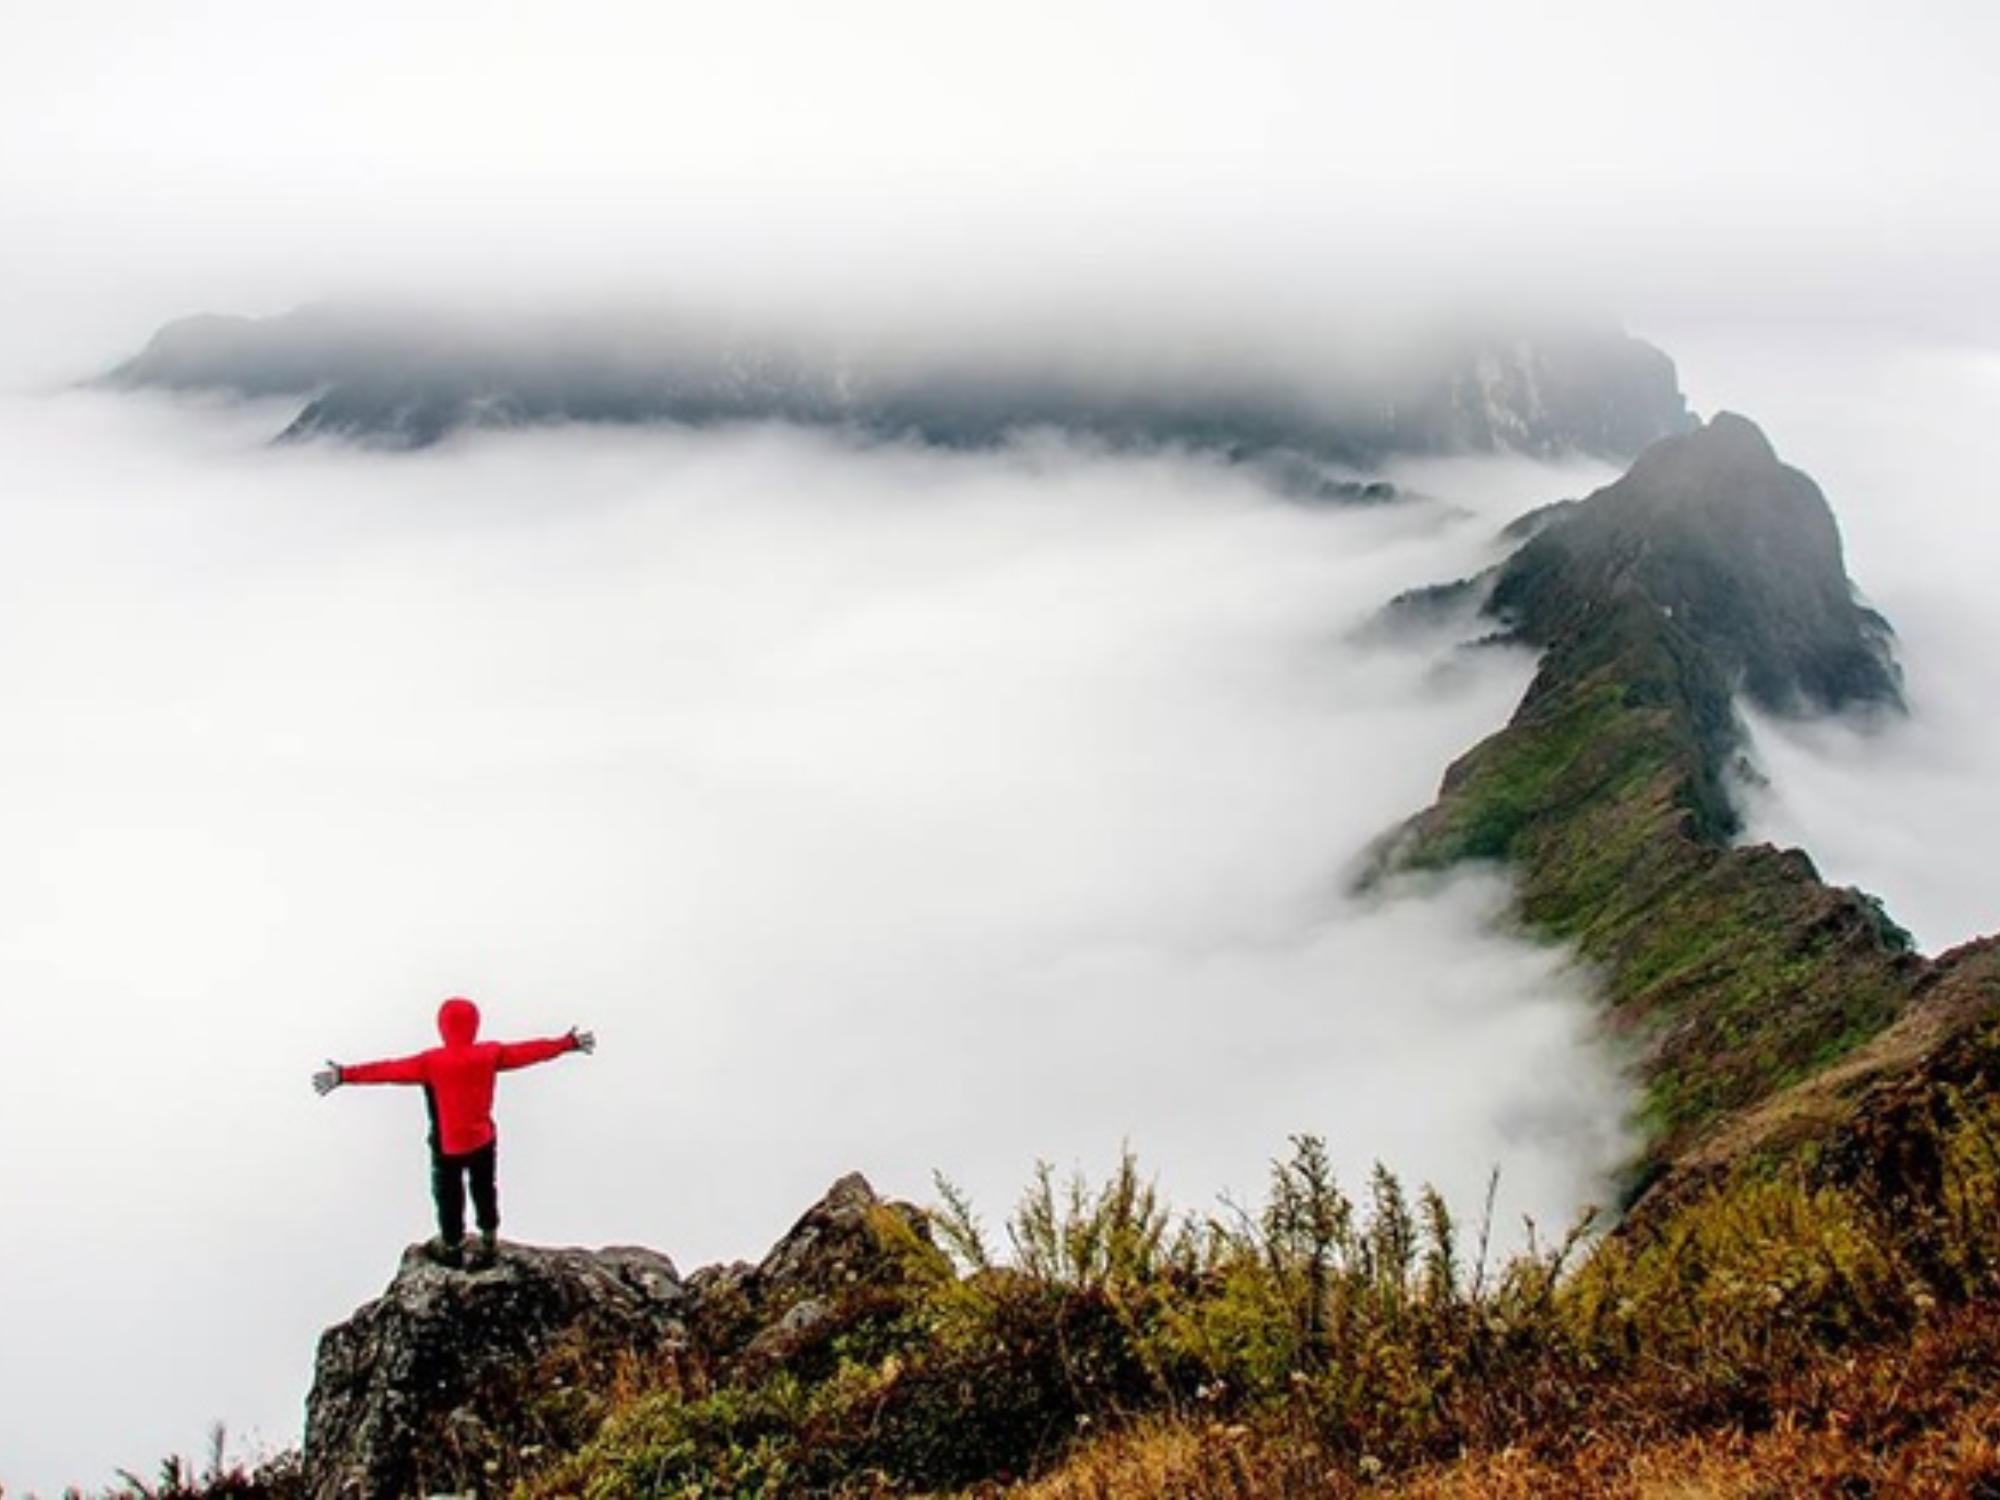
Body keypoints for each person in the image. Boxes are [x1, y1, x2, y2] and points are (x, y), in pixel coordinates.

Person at [314, 996, 595, 1268]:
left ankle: (453, 1246)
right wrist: (566, 1043)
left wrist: (344, 1075)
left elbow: (387, 1070)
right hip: (483, 1139)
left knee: (449, 1194)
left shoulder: (431, 1061)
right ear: (475, 1025)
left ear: (442, 1027)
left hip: (449, 1145)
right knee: (484, 1188)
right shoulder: (490, 1053)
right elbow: (530, 1051)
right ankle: (489, 1239)